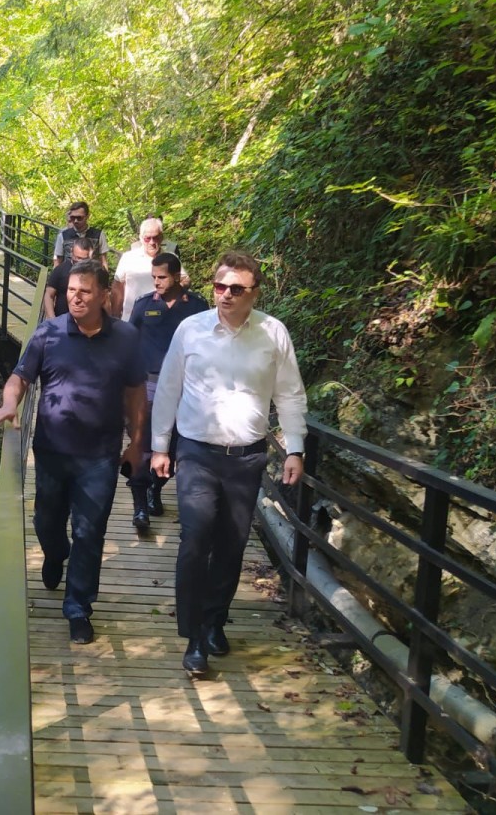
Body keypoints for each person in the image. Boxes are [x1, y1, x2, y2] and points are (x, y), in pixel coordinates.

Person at [150, 250, 308, 676]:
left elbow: (290, 394)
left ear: (254, 292)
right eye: (220, 286)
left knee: (231, 545)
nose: (225, 295)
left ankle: (216, 619)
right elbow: (168, 388)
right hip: (197, 452)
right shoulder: (191, 330)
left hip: (247, 457)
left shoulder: (273, 334)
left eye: (236, 288)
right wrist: (160, 446)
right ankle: (195, 637)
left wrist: (294, 447)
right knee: (195, 538)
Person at [0, 260, 146, 645]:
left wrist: (138, 442)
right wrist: (10, 404)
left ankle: (78, 608)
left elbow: (136, 392)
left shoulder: (126, 338)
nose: (75, 296)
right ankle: (56, 553)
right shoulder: (48, 334)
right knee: (46, 523)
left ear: (104, 295)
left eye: (85, 290)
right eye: (72, 289)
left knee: (90, 532)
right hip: (52, 451)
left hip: (100, 456)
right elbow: (19, 378)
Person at [126, 252, 208, 533]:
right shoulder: (144, 305)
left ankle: (155, 489)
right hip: (148, 386)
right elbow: (127, 341)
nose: (157, 282)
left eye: (162, 277)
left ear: (175, 275)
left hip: (186, 388)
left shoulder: (197, 306)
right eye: (154, 278)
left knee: (174, 448)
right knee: (143, 446)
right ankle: (139, 506)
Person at [111, 217, 188, 318]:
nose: (151, 242)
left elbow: (185, 279)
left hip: (164, 317)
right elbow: (117, 288)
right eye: (147, 238)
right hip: (133, 318)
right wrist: (116, 318)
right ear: (141, 238)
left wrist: (173, 294)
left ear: (161, 237)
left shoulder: (170, 257)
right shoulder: (128, 258)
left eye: (155, 237)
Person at [43, 237, 96, 319]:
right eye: (77, 258)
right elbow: (49, 295)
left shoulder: (96, 273)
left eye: (84, 259)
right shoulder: (60, 270)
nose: (79, 262)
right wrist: (52, 319)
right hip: (61, 321)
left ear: (91, 256)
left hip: (88, 323)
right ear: (71, 252)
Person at [52, 201, 109, 269]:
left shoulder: (98, 235)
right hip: (69, 276)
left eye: (79, 218)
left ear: (87, 216)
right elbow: (57, 262)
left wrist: (105, 276)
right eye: (73, 217)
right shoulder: (63, 236)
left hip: (92, 276)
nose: (75, 221)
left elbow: (103, 260)